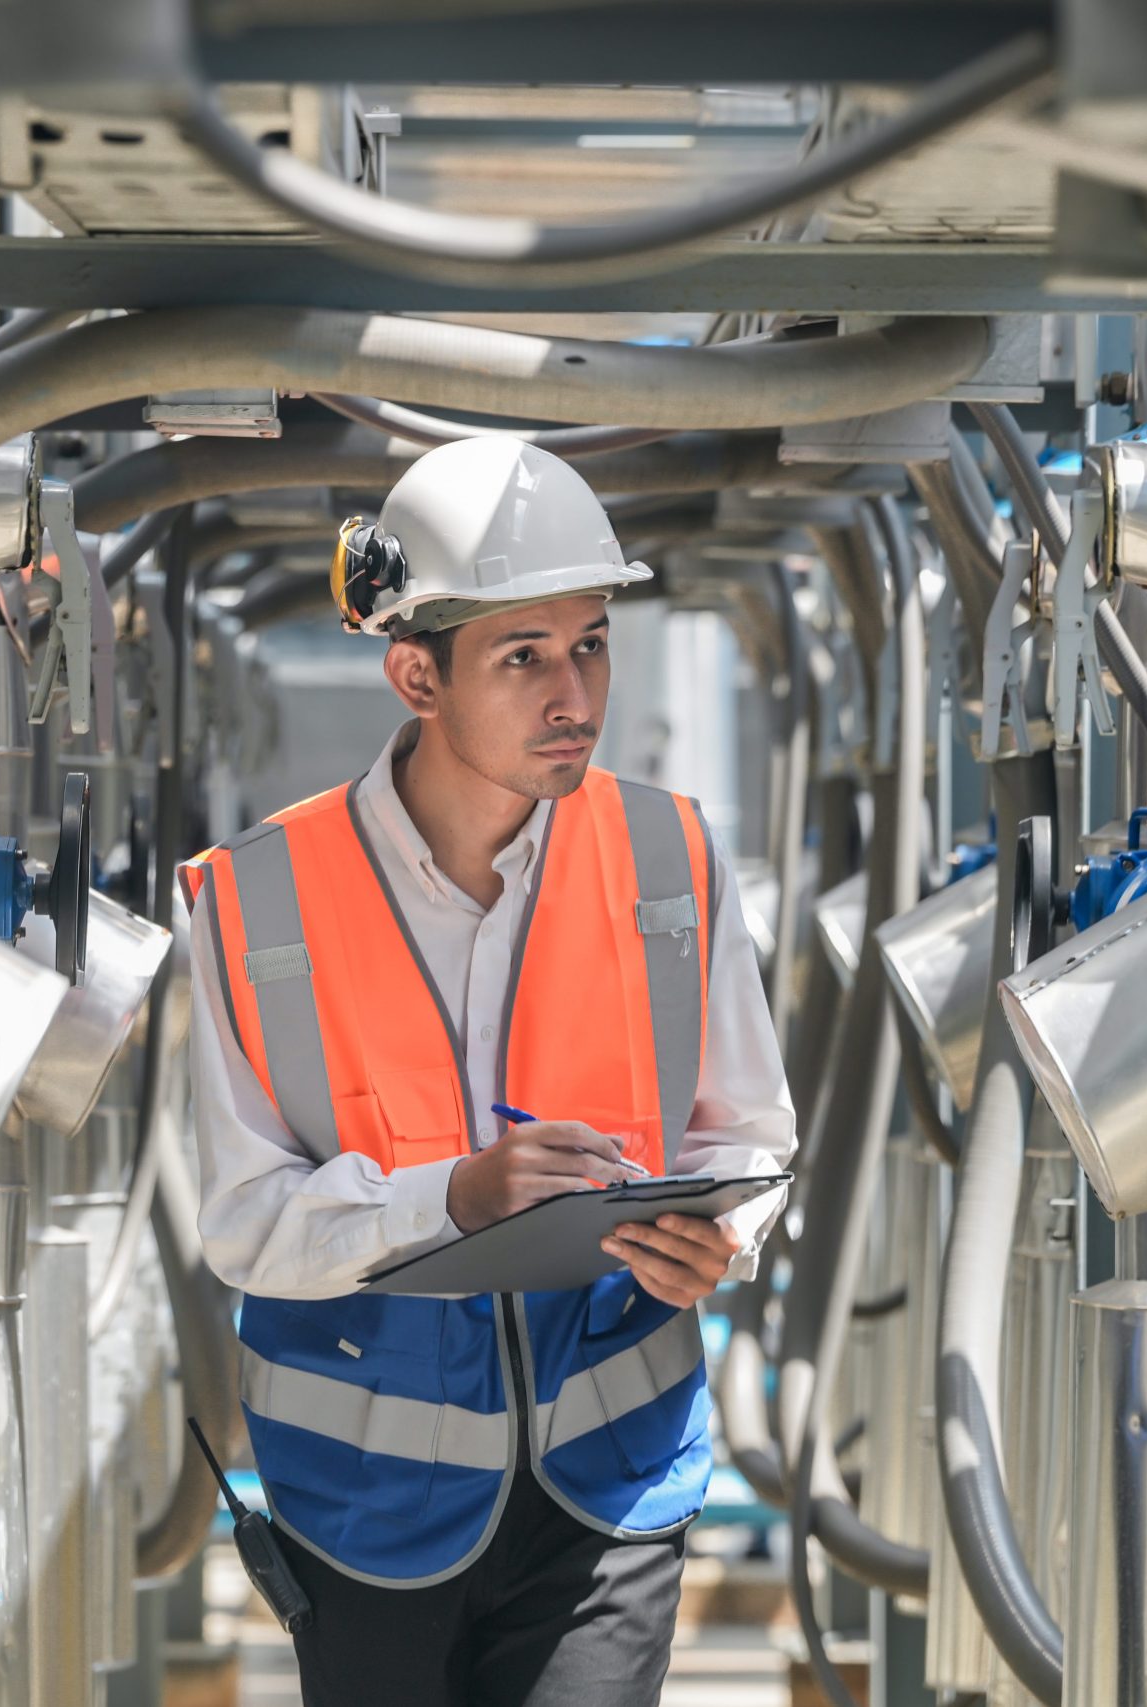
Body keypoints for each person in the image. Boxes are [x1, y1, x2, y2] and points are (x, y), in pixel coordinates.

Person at [176, 437, 797, 1707]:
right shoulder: (253, 901)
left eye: (591, 644)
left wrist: (723, 1234)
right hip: (362, 1508)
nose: (574, 692)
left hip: (611, 1480)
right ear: (415, 673)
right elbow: (242, 1225)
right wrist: (451, 1200)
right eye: (524, 657)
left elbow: (747, 1135)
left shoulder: (669, 858)